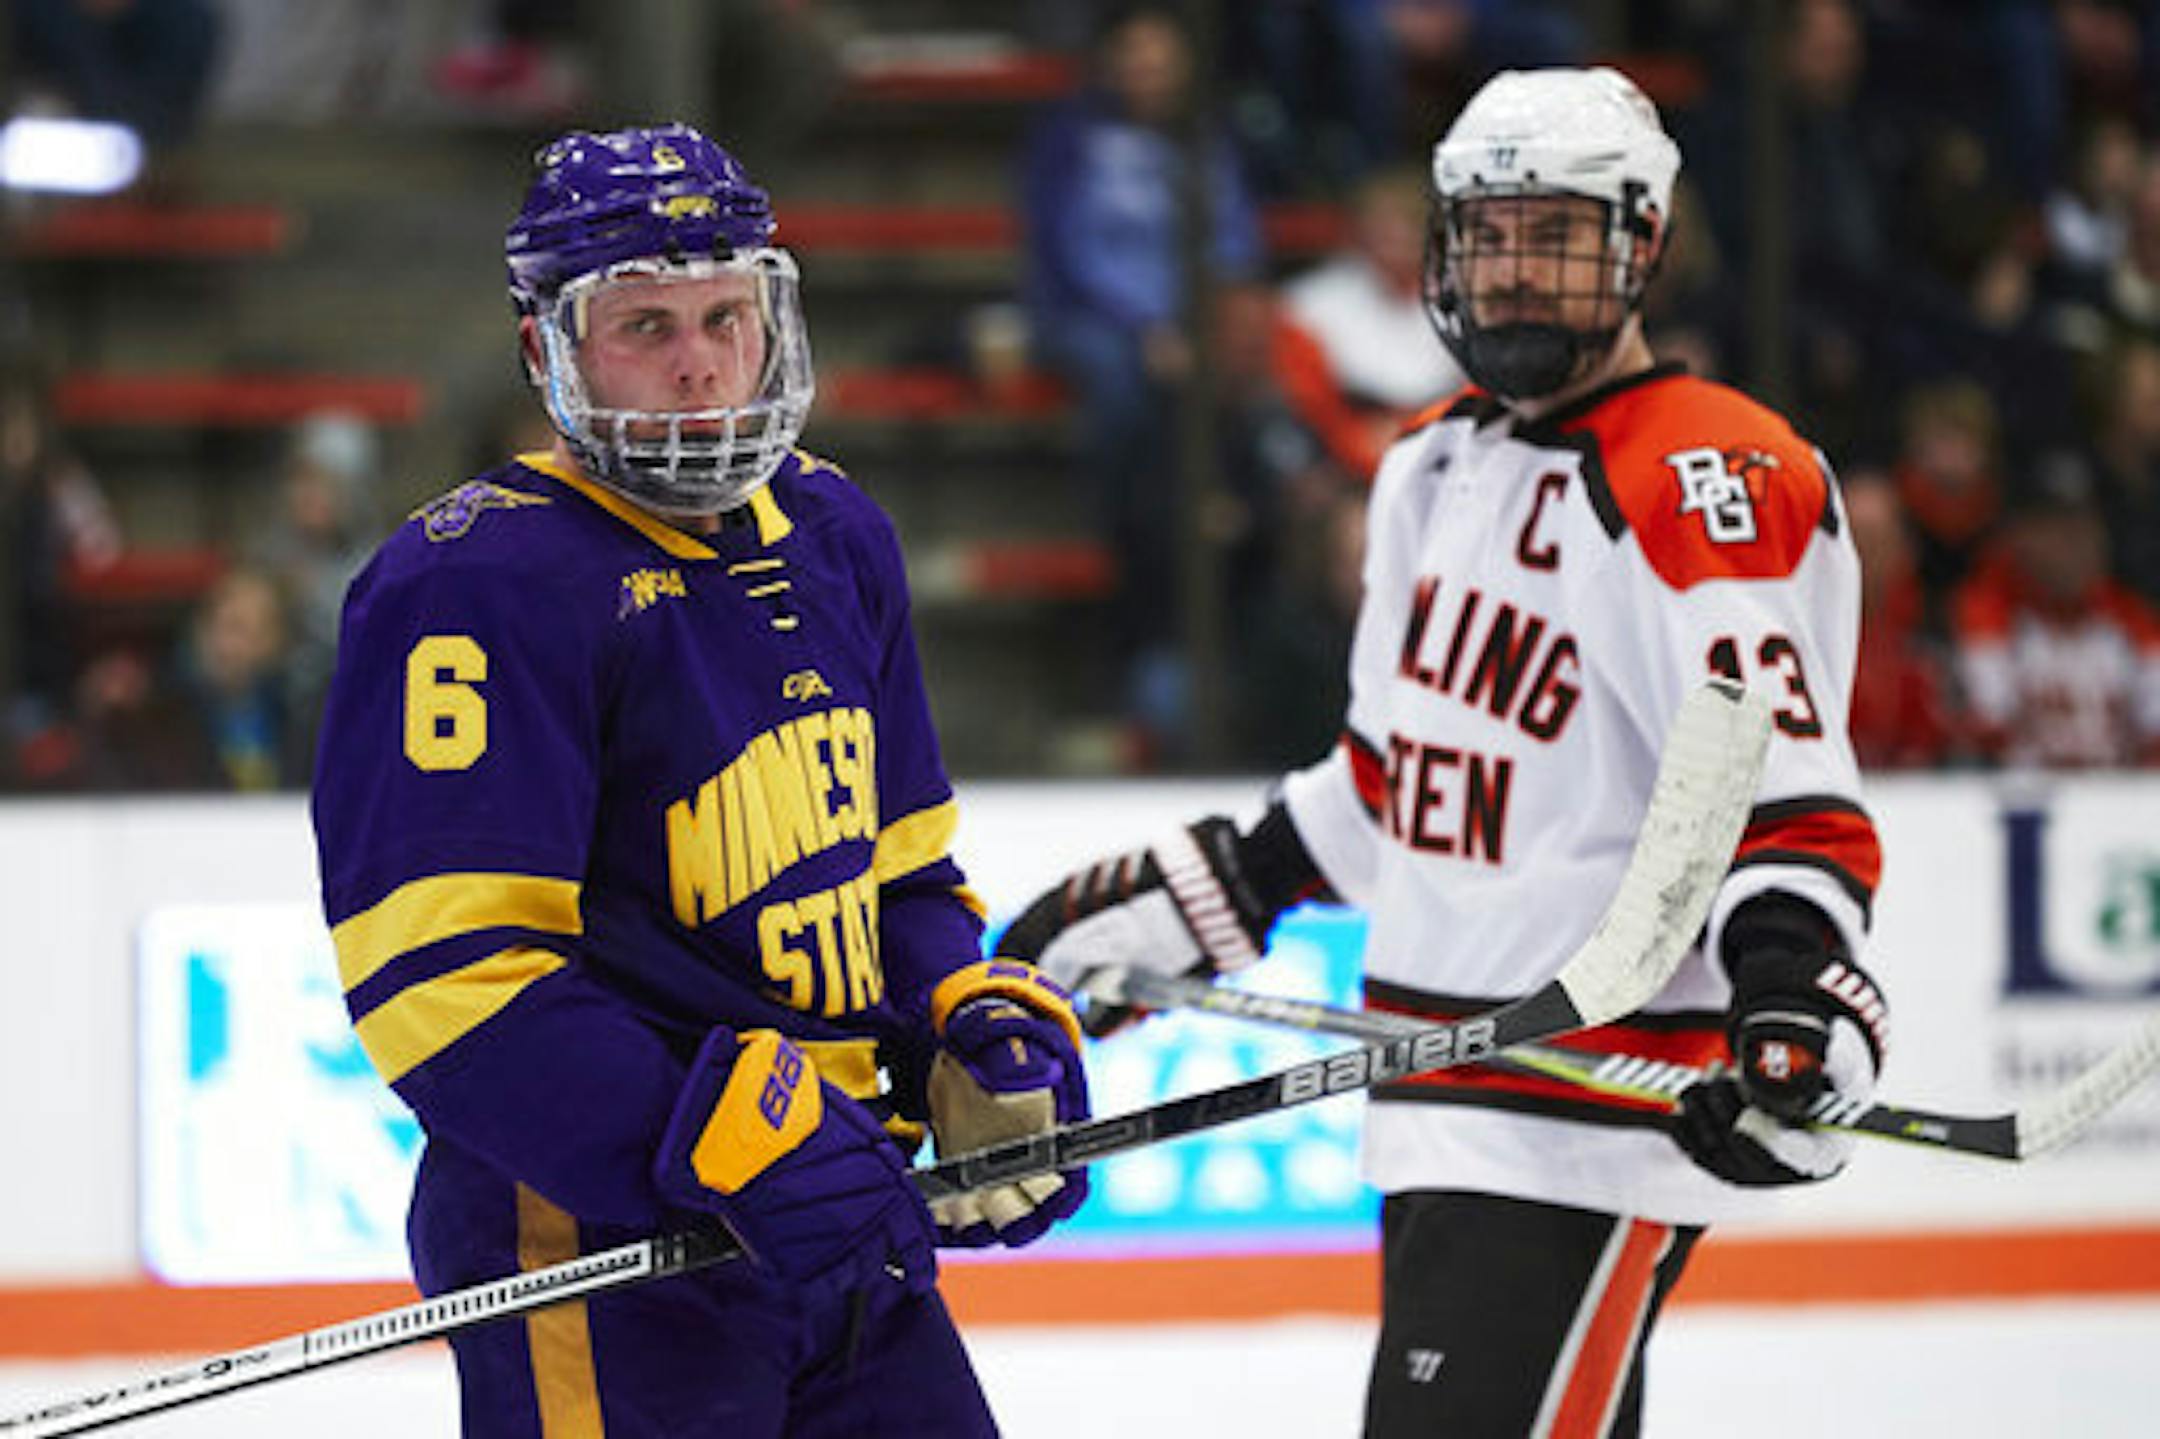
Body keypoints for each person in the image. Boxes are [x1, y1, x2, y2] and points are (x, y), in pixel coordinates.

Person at [1001, 69, 1891, 1437]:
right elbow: (1384, 786)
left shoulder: (1707, 477)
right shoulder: (1428, 467)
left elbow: (1782, 809)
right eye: (1489, 234)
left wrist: (1790, 993)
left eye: (1557, 235)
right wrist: (1213, 892)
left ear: (1641, 243)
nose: (1515, 273)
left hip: (1590, 1112)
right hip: (1433, 1093)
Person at [310, 124, 1091, 1437]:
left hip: (839, 1214)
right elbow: (447, 987)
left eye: (727, 314)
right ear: (545, 351)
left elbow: (896, 870)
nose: (699, 365)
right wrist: (723, 1141)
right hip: (604, 1248)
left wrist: (963, 1014)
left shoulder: (839, 531)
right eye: (645, 326)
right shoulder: (472, 583)